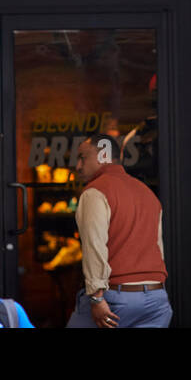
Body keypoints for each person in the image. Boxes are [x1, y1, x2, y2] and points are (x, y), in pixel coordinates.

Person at [67, 134, 172, 328]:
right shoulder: (147, 193)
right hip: (157, 299)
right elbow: (158, 247)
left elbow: (94, 246)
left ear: (104, 155)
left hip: (115, 298)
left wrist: (97, 297)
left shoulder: (95, 191)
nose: (78, 166)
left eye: (83, 157)